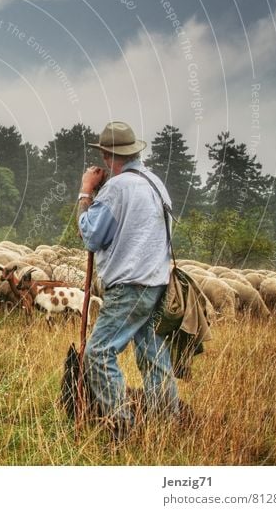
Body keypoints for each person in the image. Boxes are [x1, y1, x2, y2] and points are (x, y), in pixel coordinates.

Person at [77, 121, 179, 441]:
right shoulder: (155, 183)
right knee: (151, 351)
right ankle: (167, 420)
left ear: (107, 155)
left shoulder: (118, 188)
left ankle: (121, 424)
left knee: (99, 351)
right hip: (157, 282)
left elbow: (92, 236)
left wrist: (85, 192)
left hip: (129, 284)